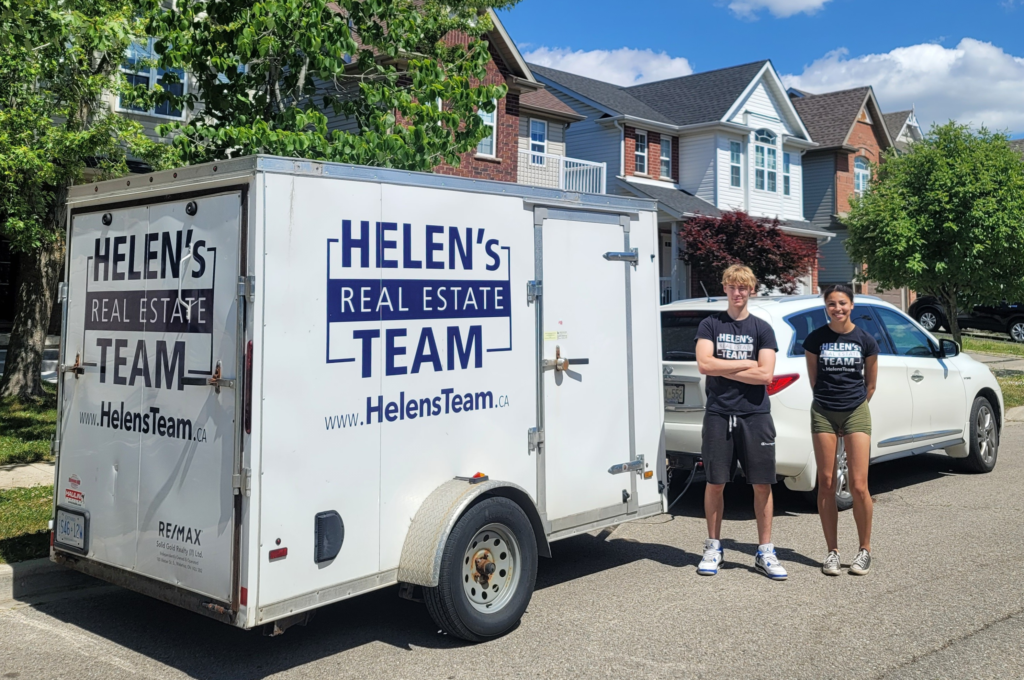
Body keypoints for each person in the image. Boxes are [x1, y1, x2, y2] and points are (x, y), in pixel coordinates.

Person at [694, 265, 786, 580]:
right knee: (716, 482)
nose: (738, 292)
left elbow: (765, 374)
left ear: (751, 291)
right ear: (725, 289)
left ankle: (765, 551)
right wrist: (746, 362)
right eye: (732, 287)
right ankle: (713, 547)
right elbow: (704, 364)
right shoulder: (710, 325)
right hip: (719, 412)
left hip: (755, 414)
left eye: (743, 288)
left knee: (762, 483)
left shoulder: (762, 329)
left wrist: (727, 367)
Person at [802, 284, 879, 576]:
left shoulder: (865, 339)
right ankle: (832, 552)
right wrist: (829, 402)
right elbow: (814, 379)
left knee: (859, 485)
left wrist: (853, 406)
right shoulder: (815, 339)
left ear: (852, 305)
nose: (838, 308)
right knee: (826, 481)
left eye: (843, 303)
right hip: (823, 411)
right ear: (826, 307)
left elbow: (870, 384)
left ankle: (864, 549)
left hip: (856, 411)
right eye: (832, 304)